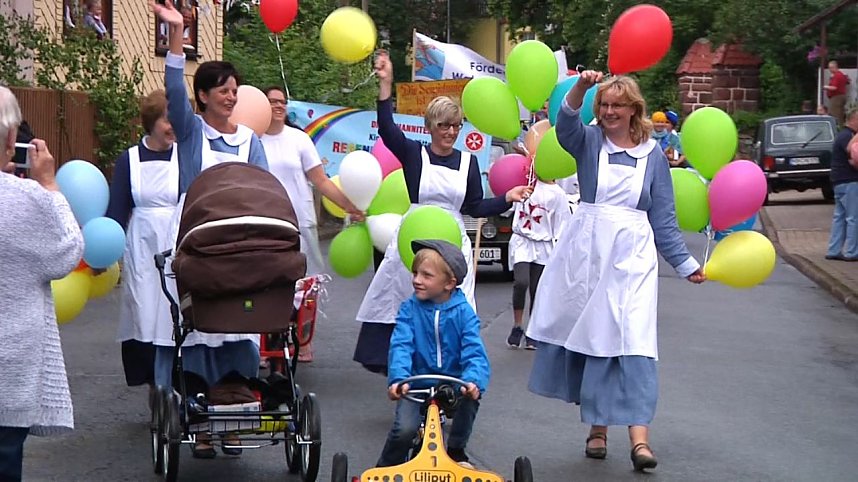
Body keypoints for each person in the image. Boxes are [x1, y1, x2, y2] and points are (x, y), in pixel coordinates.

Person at [524, 71, 706, 472]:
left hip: (633, 256)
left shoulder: (654, 155)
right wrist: (582, 88)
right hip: (589, 252)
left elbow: (664, 217)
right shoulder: (589, 142)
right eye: (603, 105)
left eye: (616, 106)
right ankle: (597, 430)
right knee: (596, 337)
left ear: (633, 110)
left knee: (634, 339)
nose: (608, 112)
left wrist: (686, 263)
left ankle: (640, 441)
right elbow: (566, 121)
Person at [353, 50, 531, 374]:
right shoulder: (413, 153)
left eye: (456, 126)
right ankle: (405, 374)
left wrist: (508, 197)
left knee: (452, 310)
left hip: (452, 243)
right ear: (431, 126)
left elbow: (474, 207)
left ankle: (448, 376)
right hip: (413, 241)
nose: (450, 132)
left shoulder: (468, 162)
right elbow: (387, 128)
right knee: (406, 305)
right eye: (444, 126)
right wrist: (386, 84)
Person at [151, 0, 269, 458]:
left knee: (240, 326)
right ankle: (201, 427)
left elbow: (263, 190)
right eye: (221, 89)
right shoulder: (192, 131)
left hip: (240, 246)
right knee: (200, 329)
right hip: (199, 244)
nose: (230, 95)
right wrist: (178, 34)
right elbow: (173, 91)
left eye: (234, 89)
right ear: (203, 96)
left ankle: (234, 423)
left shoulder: (249, 141)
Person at [0, 86, 85, 481]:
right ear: (9, 138)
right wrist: (49, 183)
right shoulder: (27, 197)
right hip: (10, 362)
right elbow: (67, 251)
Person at [261, 85, 363, 361]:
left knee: (305, 283)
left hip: (299, 222)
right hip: (265, 223)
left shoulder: (299, 139)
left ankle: (303, 341)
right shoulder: (253, 139)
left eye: (282, 101)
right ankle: (265, 342)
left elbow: (320, 180)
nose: (278, 106)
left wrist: (349, 206)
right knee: (266, 283)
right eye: (272, 102)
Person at [379, 239, 489, 468]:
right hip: (416, 383)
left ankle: (457, 450)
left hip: (454, 382)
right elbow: (401, 345)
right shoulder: (409, 309)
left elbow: (474, 352)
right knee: (405, 430)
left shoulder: (464, 313)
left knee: (470, 399)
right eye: (415, 273)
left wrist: (473, 381)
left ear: (449, 283)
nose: (417, 280)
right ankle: (387, 468)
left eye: (426, 275)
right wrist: (399, 379)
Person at [105, 90, 178, 404]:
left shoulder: (185, 155)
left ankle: (176, 381)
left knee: (176, 313)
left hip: (176, 239)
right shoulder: (130, 160)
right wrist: (104, 253)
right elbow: (117, 210)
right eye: (166, 119)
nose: (172, 125)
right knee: (145, 312)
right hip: (143, 244)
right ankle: (153, 384)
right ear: (152, 122)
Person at [506, 177, 571, 350]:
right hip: (522, 240)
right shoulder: (525, 184)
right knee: (521, 282)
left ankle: (532, 332)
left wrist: (560, 249)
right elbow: (507, 205)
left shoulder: (558, 194)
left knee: (538, 289)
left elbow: (563, 224)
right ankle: (517, 325)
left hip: (543, 245)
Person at [825, 108, 858, 261]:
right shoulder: (848, 137)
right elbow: (852, 155)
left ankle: (834, 249)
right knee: (853, 217)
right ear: (853, 120)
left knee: (840, 217)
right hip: (850, 181)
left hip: (838, 181)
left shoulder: (842, 135)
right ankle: (852, 252)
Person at [823, 61, 850, 125]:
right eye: (829, 68)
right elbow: (847, 82)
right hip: (838, 97)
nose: (830, 69)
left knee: (834, 114)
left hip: (837, 97)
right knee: (838, 113)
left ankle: (837, 128)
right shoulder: (840, 75)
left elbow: (834, 87)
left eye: (832, 67)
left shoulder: (837, 75)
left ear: (836, 67)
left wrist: (825, 87)